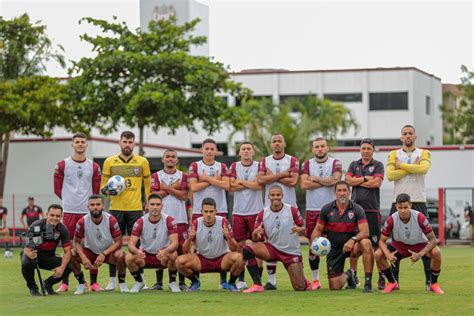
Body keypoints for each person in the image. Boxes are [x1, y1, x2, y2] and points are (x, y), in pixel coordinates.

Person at [100, 130, 151, 291]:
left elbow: (148, 185)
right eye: (125, 142)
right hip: (115, 209)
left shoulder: (142, 162)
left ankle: (141, 280)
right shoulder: (110, 162)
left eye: (130, 142)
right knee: (114, 245)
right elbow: (102, 188)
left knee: (138, 245)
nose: (127, 145)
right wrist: (109, 191)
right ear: (120, 143)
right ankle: (112, 281)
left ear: (134, 144)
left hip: (136, 209)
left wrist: (148, 202)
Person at [53, 132, 101, 292]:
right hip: (69, 212)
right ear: (72, 145)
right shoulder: (62, 165)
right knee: (68, 248)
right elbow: (57, 190)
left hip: (87, 213)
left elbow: (95, 191)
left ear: (86, 145)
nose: (80, 144)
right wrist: (70, 200)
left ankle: (94, 283)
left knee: (93, 246)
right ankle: (65, 283)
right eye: (77, 142)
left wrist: (86, 204)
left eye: (82, 142)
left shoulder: (93, 166)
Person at [386, 125, 432, 289]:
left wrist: (401, 166)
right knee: (396, 243)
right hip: (397, 204)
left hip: (418, 201)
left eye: (410, 133)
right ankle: (394, 282)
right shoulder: (393, 154)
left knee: (425, 241)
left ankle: (429, 281)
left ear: (415, 136)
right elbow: (390, 175)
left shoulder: (424, 152)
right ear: (400, 137)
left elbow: (424, 169)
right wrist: (413, 168)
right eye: (404, 133)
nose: (407, 136)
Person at [242, 185, 309, 293]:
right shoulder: (263, 214)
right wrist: (255, 233)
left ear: (282, 196)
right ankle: (257, 284)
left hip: (290, 252)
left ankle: (304, 280)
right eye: (273, 195)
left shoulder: (292, 210)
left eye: (278, 195)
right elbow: (255, 238)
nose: (275, 197)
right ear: (268, 196)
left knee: (300, 287)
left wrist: (300, 230)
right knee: (247, 250)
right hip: (272, 249)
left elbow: (305, 230)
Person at [310, 181, 374, 292]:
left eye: (345, 190)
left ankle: (368, 284)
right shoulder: (326, 209)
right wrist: (314, 246)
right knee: (334, 287)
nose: (342, 193)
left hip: (353, 246)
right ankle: (350, 275)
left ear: (349, 192)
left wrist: (353, 239)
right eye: (339, 190)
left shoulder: (357, 209)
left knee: (366, 243)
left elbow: (365, 232)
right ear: (335, 193)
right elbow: (318, 229)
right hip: (334, 248)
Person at [375, 193, 444, 294]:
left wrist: (420, 254)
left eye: (405, 207)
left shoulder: (419, 217)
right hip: (400, 246)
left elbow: (433, 240)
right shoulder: (391, 219)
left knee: (436, 252)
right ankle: (392, 282)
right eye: (400, 207)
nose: (403, 210)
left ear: (410, 206)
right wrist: (388, 254)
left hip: (419, 245)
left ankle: (433, 284)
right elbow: (381, 241)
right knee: (378, 254)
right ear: (396, 207)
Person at [257, 134, 299, 290]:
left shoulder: (292, 160)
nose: (277, 144)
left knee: (292, 242)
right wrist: (283, 174)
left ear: (284, 143)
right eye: (274, 141)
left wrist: (272, 176)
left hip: (289, 208)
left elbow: (293, 181)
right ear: (271, 144)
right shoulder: (264, 161)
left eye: (279, 141)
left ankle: (296, 275)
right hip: (270, 209)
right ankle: (271, 281)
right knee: (270, 242)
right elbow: (260, 180)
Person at [175, 198, 244, 292]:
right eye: (206, 211)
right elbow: (185, 251)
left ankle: (231, 283)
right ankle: (195, 282)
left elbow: (234, 248)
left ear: (216, 211)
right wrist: (189, 239)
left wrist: (228, 237)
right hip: (202, 259)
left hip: (222, 258)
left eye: (211, 211)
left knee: (240, 258)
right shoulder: (196, 223)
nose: (208, 214)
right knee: (179, 261)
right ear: (201, 212)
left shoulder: (223, 222)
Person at [300, 137, 342, 290]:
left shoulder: (335, 163)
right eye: (316, 147)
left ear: (327, 148)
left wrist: (315, 178)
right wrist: (326, 180)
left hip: (332, 210)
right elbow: (304, 184)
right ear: (313, 149)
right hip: (312, 210)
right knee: (313, 246)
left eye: (322, 146)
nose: (319, 149)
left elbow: (335, 181)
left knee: (335, 245)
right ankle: (316, 280)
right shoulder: (307, 164)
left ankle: (337, 275)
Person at [188, 138, 230, 289]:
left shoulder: (222, 166)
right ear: (202, 150)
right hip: (200, 211)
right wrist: (212, 180)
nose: (210, 151)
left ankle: (223, 281)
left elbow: (226, 185)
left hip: (221, 210)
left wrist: (205, 179)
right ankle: (196, 281)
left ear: (216, 151)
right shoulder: (195, 166)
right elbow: (193, 187)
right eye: (207, 149)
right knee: (195, 242)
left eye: (212, 149)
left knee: (223, 243)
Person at [345, 138, 385, 290]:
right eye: (364, 148)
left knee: (374, 246)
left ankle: (381, 275)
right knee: (354, 244)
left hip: (372, 211)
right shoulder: (354, 164)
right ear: (360, 150)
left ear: (373, 150)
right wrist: (365, 178)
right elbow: (348, 180)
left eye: (369, 148)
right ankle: (353, 275)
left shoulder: (378, 165)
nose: (366, 151)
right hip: (355, 212)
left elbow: (377, 183)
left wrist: (357, 181)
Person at [72, 195, 129, 294]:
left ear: (103, 206)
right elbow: (76, 242)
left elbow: (118, 242)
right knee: (72, 254)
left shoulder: (111, 220)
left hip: (107, 252)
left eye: (98, 204)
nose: (95, 207)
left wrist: (103, 254)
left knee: (120, 255)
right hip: (90, 251)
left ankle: (122, 283)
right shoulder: (82, 221)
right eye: (92, 205)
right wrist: (83, 257)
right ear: (88, 207)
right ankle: (81, 283)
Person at [150, 149, 189, 291]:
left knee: (180, 251)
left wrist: (166, 188)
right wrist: (172, 188)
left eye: (173, 157)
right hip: (161, 220)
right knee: (160, 249)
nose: (170, 159)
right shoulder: (156, 176)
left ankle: (181, 282)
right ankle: (159, 282)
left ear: (177, 160)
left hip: (180, 219)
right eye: (168, 157)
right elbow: (154, 196)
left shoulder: (183, 176)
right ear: (163, 160)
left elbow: (184, 196)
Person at [228, 141, 264, 290]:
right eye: (244, 149)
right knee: (240, 247)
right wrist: (250, 183)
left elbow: (259, 185)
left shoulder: (259, 166)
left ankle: (258, 281)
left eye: (249, 149)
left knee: (259, 247)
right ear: (240, 152)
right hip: (239, 213)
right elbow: (231, 186)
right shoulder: (234, 166)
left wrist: (241, 182)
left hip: (256, 212)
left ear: (253, 152)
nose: (247, 151)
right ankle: (241, 280)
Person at [126, 194, 180, 293]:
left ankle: (172, 282)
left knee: (174, 254)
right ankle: (139, 282)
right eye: (152, 204)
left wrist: (165, 251)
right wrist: (137, 251)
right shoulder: (140, 221)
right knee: (128, 257)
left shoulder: (169, 220)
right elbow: (131, 244)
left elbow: (175, 243)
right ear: (147, 206)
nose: (155, 207)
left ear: (162, 206)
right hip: (145, 256)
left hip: (162, 255)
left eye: (158, 204)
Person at [20, 204, 73, 296]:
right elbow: (26, 248)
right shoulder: (36, 225)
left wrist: (62, 268)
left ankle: (48, 284)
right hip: (34, 255)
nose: (54, 218)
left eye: (57, 216)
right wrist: (30, 254)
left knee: (69, 266)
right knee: (26, 262)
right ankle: (33, 289)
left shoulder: (63, 229)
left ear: (61, 217)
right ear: (47, 214)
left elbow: (67, 251)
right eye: (52, 215)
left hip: (49, 257)